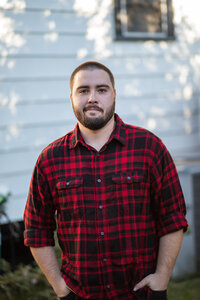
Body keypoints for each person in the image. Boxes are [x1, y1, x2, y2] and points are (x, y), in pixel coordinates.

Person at [24, 61, 188, 300]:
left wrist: (162, 278)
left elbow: (172, 218)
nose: (92, 98)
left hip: (140, 295)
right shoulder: (50, 159)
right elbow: (36, 229)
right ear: (71, 97)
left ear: (114, 94)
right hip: (79, 295)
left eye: (101, 90)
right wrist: (60, 287)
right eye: (83, 90)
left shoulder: (149, 148)